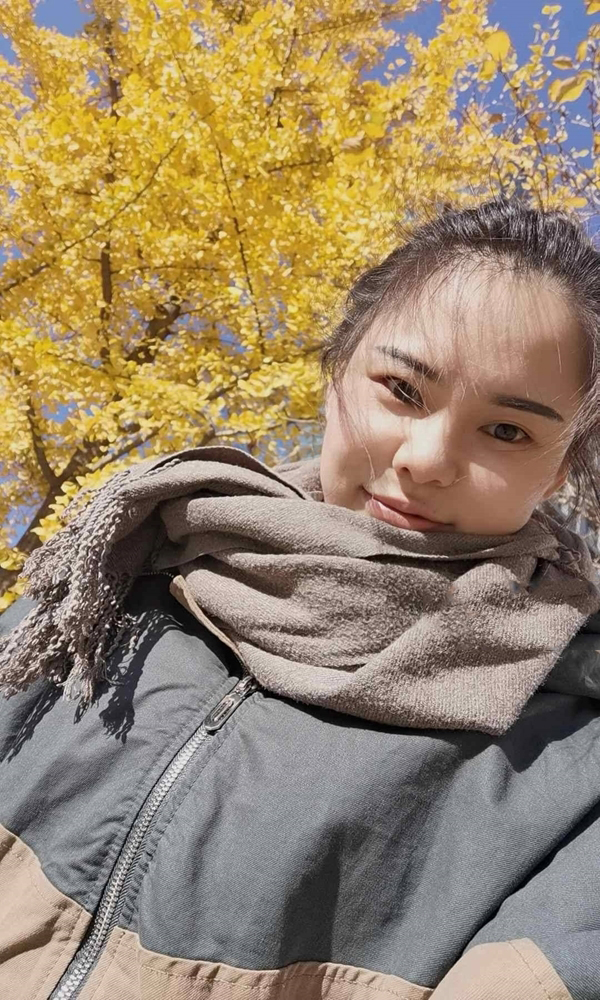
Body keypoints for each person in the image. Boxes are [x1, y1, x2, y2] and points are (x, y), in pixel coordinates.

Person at [1, 197, 600, 1000]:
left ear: (558, 471)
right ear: (336, 371)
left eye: (507, 432)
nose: (427, 459)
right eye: (402, 389)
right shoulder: (114, 582)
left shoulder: (572, 750)